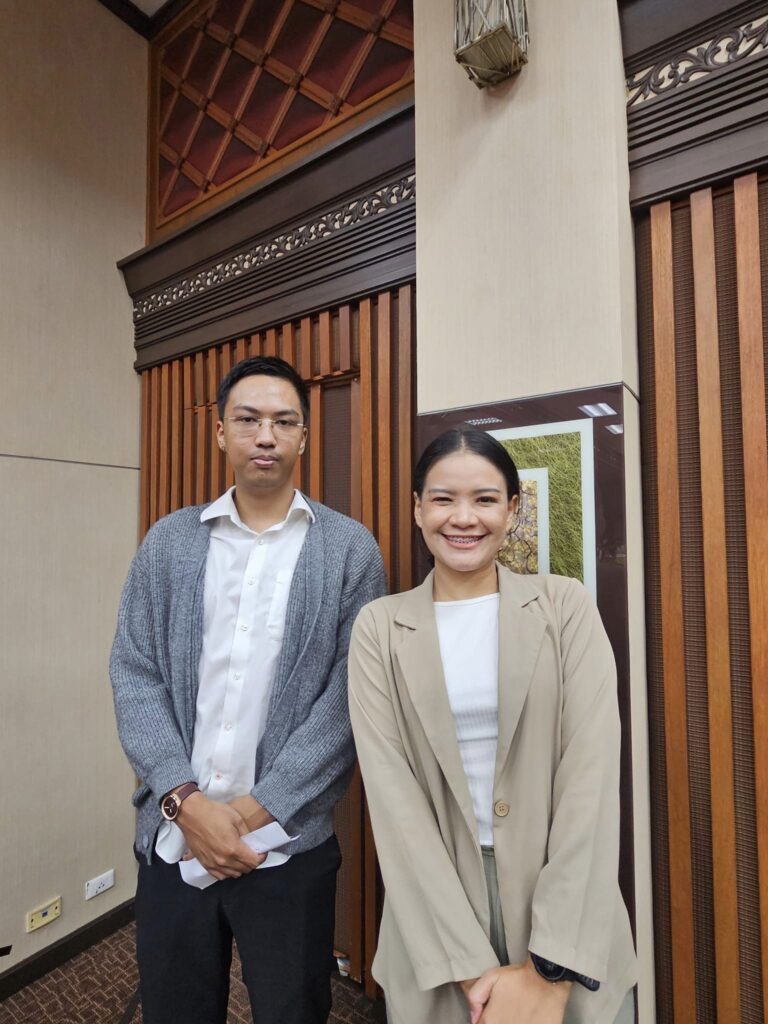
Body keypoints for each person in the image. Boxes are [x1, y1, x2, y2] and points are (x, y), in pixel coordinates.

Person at [110, 355, 386, 1024]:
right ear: (220, 432)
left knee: (293, 1011)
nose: (266, 436)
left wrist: (253, 811)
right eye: (248, 419)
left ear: (304, 437)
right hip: (175, 840)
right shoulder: (169, 543)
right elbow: (134, 673)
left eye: (284, 422)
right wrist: (186, 803)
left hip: (288, 850)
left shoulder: (350, 550)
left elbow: (348, 699)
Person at [348, 426, 637, 1024]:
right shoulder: (379, 627)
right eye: (443, 499)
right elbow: (394, 801)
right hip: (436, 911)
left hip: (563, 907)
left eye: (484, 499)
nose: (464, 518)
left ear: (512, 508)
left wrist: (549, 968)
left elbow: (591, 780)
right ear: (418, 509)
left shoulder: (565, 607)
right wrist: (472, 972)